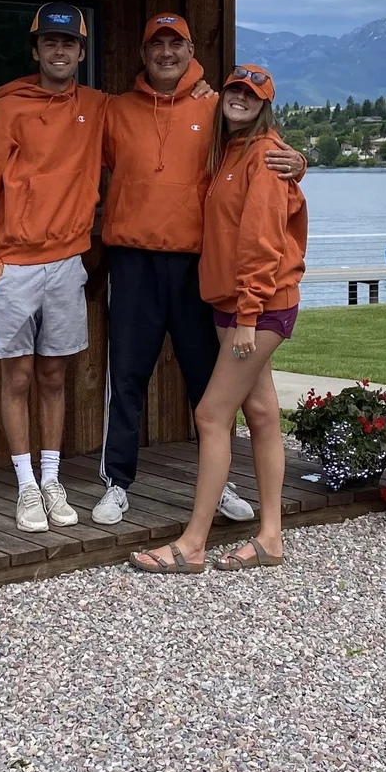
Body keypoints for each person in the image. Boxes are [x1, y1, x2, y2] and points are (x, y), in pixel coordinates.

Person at [94, 15, 304, 525]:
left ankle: (221, 482)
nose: (166, 53)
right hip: (134, 260)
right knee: (126, 374)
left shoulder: (215, 106)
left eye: (176, 45)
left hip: (197, 266)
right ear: (143, 54)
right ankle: (116, 483)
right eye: (156, 45)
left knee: (208, 379)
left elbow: (262, 144)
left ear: (191, 51)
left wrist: (298, 162)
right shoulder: (115, 111)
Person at [129, 64, 306, 573]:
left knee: (210, 415)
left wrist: (248, 317)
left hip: (260, 306)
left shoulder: (266, 158)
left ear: (265, 104)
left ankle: (192, 544)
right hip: (231, 304)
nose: (240, 99)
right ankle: (271, 539)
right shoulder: (231, 151)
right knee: (263, 414)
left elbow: (262, 244)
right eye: (233, 90)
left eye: (251, 95)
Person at [0, 3, 105, 533]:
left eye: (68, 43)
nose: (60, 51)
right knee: (17, 375)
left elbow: (154, 121)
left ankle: (51, 480)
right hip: (12, 268)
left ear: (82, 52)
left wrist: (202, 91)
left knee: (53, 375)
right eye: (50, 43)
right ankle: (24, 487)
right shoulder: (7, 111)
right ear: (36, 50)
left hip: (66, 264)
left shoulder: (98, 108)